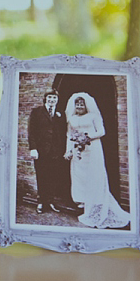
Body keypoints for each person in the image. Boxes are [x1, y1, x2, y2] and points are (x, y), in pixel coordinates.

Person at [64, 92, 130, 228]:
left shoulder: (93, 116)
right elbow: (69, 135)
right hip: (78, 151)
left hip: (92, 149)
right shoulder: (71, 119)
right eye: (77, 104)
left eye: (82, 104)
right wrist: (68, 150)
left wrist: (86, 137)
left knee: (94, 175)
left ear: (87, 105)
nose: (80, 106)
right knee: (79, 176)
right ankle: (82, 202)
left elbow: (101, 131)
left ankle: (95, 203)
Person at [28, 89, 66, 214]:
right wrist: (33, 148)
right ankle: (41, 202)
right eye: (49, 97)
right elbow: (31, 132)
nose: (52, 100)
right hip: (40, 151)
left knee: (53, 177)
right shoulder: (37, 112)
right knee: (41, 176)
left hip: (55, 152)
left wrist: (61, 150)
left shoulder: (60, 114)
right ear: (45, 99)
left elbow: (62, 133)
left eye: (54, 98)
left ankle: (50, 201)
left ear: (57, 100)